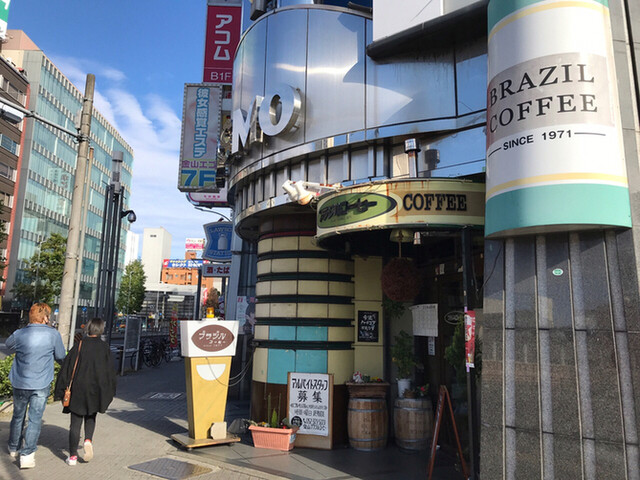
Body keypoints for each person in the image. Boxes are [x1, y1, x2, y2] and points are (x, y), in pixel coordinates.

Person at [6, 302, 66, 469]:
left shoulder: (20, 333)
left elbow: (9, 346)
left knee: (18, 416)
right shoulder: (53, 335)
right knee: (35, 419)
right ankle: (27, 454)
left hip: (20, 381)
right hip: (41, 383)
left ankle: (13, 447)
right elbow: (61, 356)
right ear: (45, 317)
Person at [54, 317, 116, 466]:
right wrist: (109, 392)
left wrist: (61, 391)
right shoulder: (104, 348)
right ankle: (88, 440)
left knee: (75, 424)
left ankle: (73, 457)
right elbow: (110, 373)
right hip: (96, 390)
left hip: (77, 390)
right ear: (100, 329)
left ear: (88, 328)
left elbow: (67, 369)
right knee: (91, 417)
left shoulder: (79, 345)